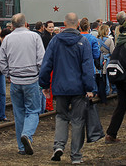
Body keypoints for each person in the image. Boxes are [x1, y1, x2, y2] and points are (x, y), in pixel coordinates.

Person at [39, 13, 95, 164]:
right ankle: (76, 156)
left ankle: (58, 146)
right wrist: (89, 87)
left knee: (61, 117)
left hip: (60, 87)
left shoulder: (55, 41)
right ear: (77, 24)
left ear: (64, 23)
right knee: (78, 121)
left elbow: (46, 64)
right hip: (78, 88)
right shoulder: (83, 42)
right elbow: (88, 68)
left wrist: (44, 85)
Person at [0, 13, 45, 155]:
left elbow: (1, 61)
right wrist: (37, 73)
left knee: (19, 113)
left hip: (15, 81)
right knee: (33, 111)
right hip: (31, 80)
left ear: (12, 25)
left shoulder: (7, 39)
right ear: (26, 24)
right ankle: (27, 134)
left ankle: (21, 147)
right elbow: (42, 59)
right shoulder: (35, 37)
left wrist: (8, 74)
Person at [95, 24, 115, 103]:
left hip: (98, 60)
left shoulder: (96, 40)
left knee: (99, 78)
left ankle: (98, 92)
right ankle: (107, 92)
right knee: (106, 77)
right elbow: (112, 51)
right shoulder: (109, 40)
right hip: (107, 61)